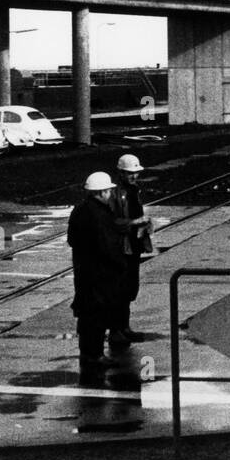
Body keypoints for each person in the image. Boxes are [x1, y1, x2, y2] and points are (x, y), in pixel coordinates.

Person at [68, 171, 129, 383]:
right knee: (98, 315)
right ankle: (95, 355)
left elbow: (71, 239)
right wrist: (120, 264)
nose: (111, 194)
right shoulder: (100, 214)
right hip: (101, 273)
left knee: (87, 313)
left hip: (83, 270)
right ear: (101, 192)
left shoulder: (80, 210)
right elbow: (107, 245)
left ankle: (89, 353)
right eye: (109, 191)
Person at [109, 153, 153, 348]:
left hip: (133, 245)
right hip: (122, 247)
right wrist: (135, 222)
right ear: (120, 173)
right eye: (130, 173)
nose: (134, 177)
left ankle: (123, 327)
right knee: (119, 289)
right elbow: (113, 222)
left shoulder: (134, 191)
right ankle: (116, 330)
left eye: (136, 173)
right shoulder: (116, 194)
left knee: (129, 288)